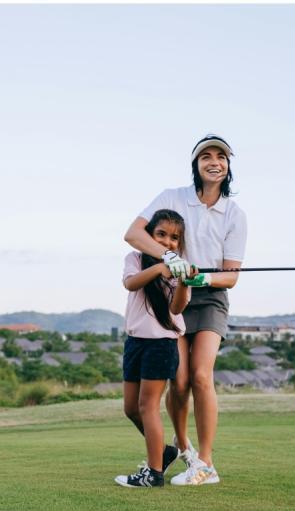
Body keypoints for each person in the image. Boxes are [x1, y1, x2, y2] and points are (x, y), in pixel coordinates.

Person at [123, 134, 247, 486]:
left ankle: (205, 463)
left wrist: (198, 277)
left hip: (208, 298)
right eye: (206, 156)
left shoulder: (235, 215)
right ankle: (181, 445)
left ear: (228, 166)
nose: (214, 162)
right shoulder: (171, 196)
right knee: (177, 382)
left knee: (200, 376)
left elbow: (230, 277)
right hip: (169, 296)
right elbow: (133, 234)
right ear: (195, 164)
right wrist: (171, 259)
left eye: (221, 157)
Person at [114, 209, 198, 488]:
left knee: (147, 406)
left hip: (161, 345)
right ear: (149, 235)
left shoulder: (178, 270)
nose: (168, 241)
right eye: (161, 234)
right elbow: (130, 284)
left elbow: (176, 308)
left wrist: (184, 282)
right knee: (131, 408)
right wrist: (160, 267)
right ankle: (163, 453)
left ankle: (153, 472)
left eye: (175, 238)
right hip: (135, 343)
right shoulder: (135, 259)